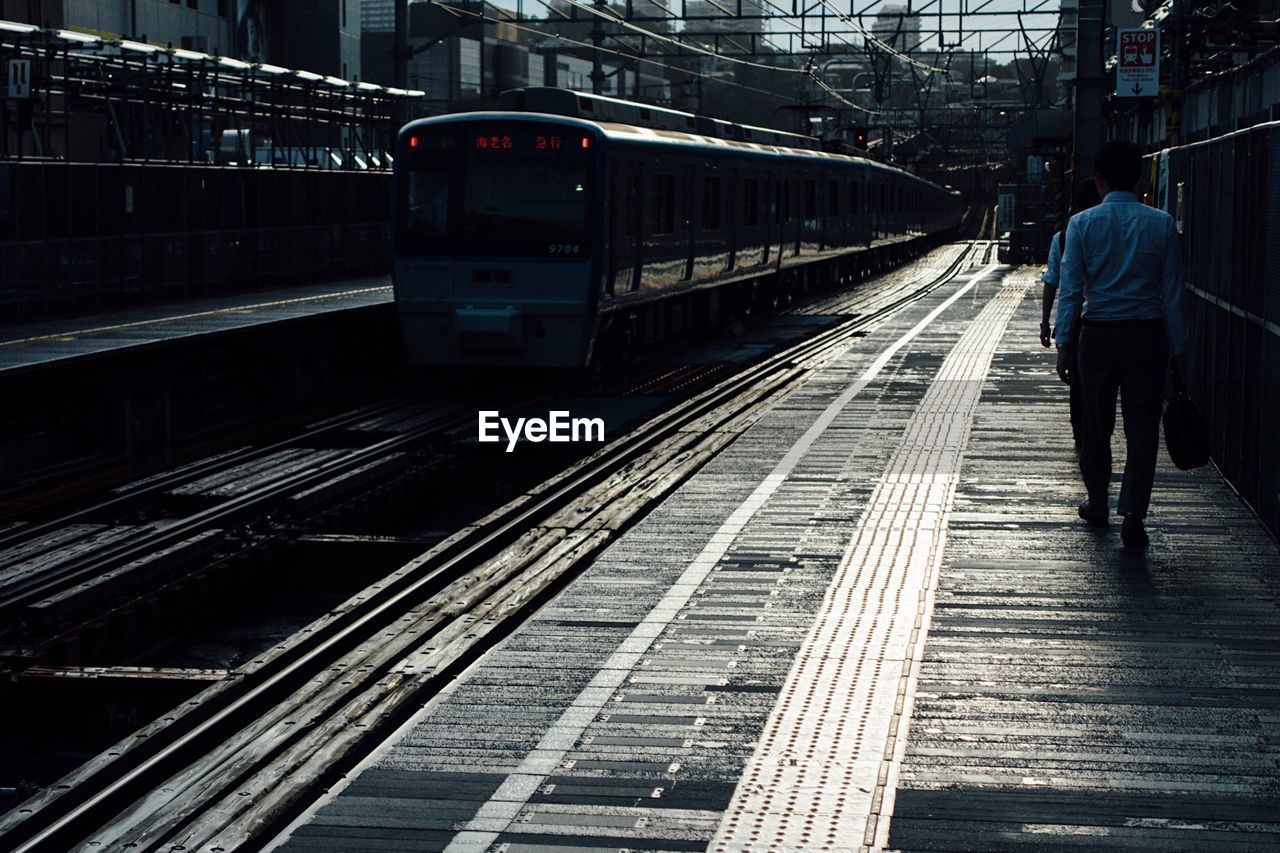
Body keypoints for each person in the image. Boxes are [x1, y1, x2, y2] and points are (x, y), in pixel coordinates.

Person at [1054, 140, 1187, 548]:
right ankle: (1133, 515)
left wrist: (1063, 342)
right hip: (1146, 337)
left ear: (1099, 181)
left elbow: (1071, 289)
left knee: (1096, 426)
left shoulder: (1081, 224)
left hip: (1097, 337)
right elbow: (1173, 295)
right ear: (1141, 178)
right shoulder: (1161, 223)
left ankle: (1097, 501)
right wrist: (1178, 351)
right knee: (1142, 430)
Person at [1040, 179, 1102, 446]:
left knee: (1079, 384)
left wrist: (1049, 327)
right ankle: (1099, 434)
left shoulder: (1064, 236)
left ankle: (1082, 433)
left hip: (1082, 324)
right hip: (1132, 324)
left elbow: (1057, 283)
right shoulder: (1139, 224)